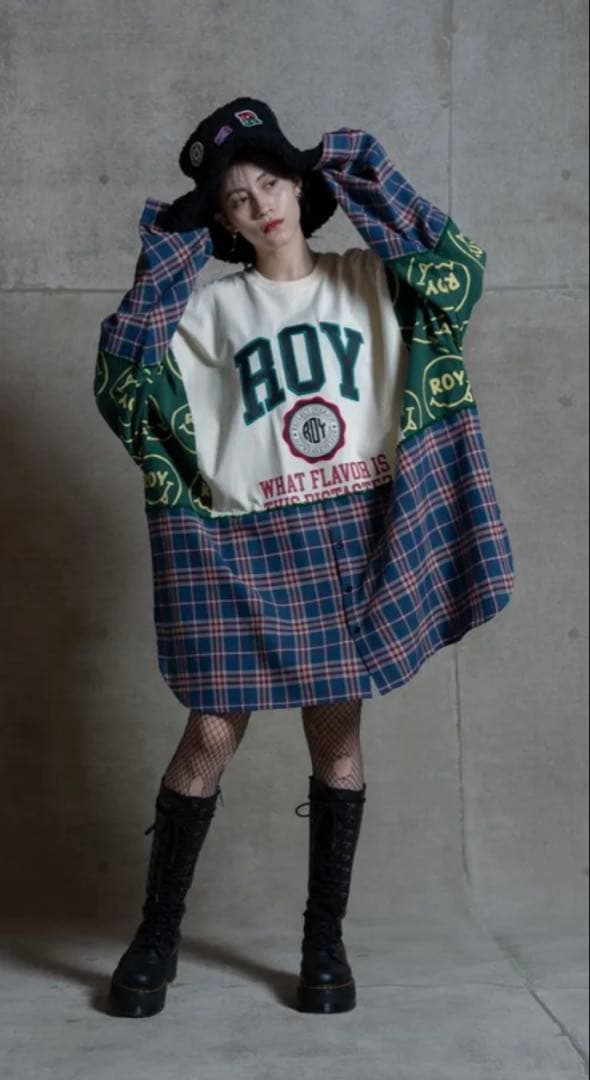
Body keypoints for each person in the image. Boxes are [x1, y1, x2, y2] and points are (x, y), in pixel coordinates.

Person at [97, 97, 514, 1020]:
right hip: (248, 548)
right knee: (212, 733)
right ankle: (157, 935)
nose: (262, 205)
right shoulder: (208, 311)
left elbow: (460, 272)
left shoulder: (374, 279)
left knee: (337, 736)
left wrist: (356, 162)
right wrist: (171, 247)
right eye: (236, 199)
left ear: (301, 185)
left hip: (356, 537)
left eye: (272, 181)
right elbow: (123, 382)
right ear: (223, 222)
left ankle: (323, 942)